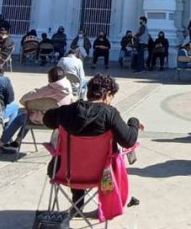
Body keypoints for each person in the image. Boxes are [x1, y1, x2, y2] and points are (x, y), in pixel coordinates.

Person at [43, 74, 143, 214]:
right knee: (99, 159)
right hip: (104, 177)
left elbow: (47, 119)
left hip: (65, 173)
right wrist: (134, 122)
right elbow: (129, 141)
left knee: (78, 157)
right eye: (111, 97)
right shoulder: (110, 114)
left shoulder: (68, 111)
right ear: (107, 94)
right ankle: (106, 207)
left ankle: (78, 203)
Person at [0, 66, 75, 153]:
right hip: (60, 120)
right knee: (29, 115)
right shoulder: (69, 88)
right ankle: (17, 142)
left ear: (50, 78)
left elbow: (23, 99)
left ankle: (0, 144)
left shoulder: (48, 90)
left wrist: (35, 94)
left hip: (44, 119)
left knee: (21, 117)